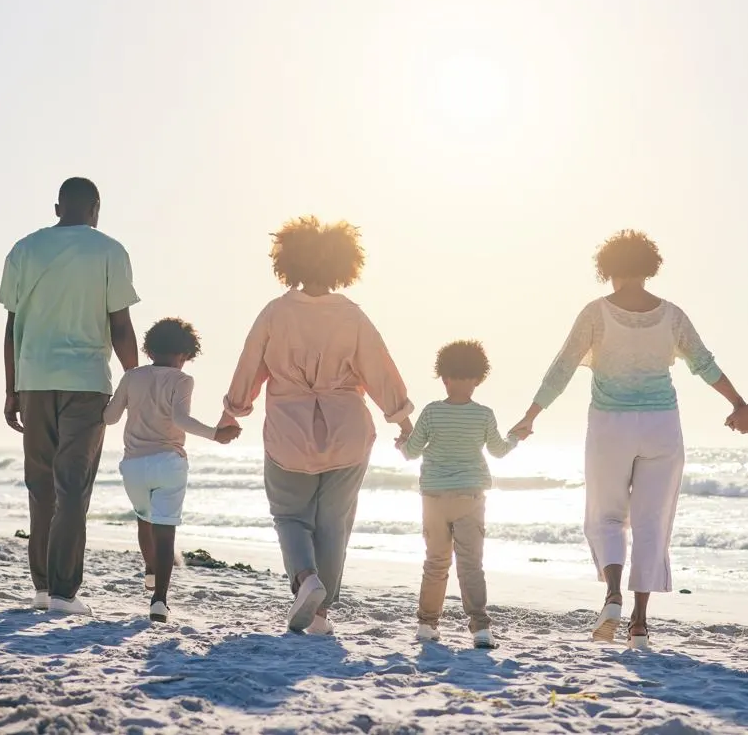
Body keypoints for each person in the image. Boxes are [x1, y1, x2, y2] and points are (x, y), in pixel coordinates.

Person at [509, 230, 745, 648]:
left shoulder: (596, 313)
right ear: (648, 266)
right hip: (662, 427)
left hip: (609, 425)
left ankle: (612, 595)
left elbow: (561, 368)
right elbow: (705, 364)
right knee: (653, 523)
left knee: (606, 516)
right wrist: (739, 404)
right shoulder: (671, 315)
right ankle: (639, 623)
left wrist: (531, 416)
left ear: (609, 267)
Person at [219, 216, 414, 636]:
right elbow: (380, 370)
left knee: (290, 516)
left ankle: (306, 578)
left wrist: (232, 413)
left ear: (288, 262)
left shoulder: (274, 313)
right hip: (347, 432)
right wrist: (403, 419)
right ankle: (321, 616)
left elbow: (249, 366)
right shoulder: (352, 316)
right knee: (334, 524)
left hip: (290, 434)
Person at [0, 177, 140, 615]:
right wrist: (135, 379)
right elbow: (120, 326)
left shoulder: (23, 249)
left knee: (41, 485)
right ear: (96, 209)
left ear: (57, 207)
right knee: (74, 486)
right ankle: (63, 593)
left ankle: (41, 587)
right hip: (86, 382)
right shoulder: (110, 251)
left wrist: (11, 388)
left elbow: (11, 326)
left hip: (34, 379)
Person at [103, 318, 240, 622]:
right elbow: (181, 419)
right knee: (165, 534)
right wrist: (215, 434)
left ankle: (150, 569)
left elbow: (110, 418)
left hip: (134, 465)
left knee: (144, 520)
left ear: (149, 349)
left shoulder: (132, 377)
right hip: (169, 462)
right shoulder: (182, 380)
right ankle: (159, 601)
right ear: (185, 354)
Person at [397, 340, 519, 649]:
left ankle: (426, 624)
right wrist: (517, 436)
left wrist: (402, 443)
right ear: (478, 379)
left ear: (444, 377)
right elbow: (499, 451)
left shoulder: (432, 412)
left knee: (436, 562)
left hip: (434, 498)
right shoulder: (483, 415)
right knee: (470, 565)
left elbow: (412, 453)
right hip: (470, 497)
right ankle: (479, 627)